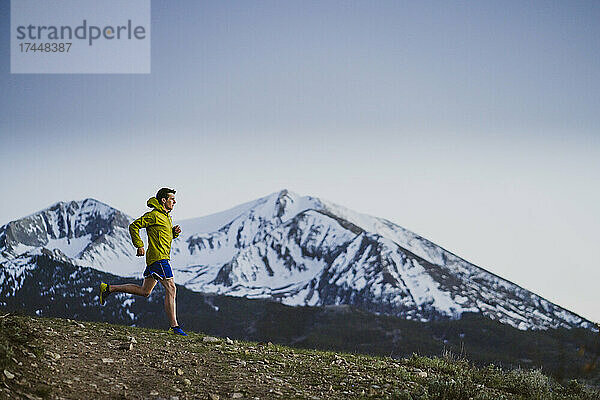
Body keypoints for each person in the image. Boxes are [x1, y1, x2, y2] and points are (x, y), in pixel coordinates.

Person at [99, 188, 187, 336]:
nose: (175, 201)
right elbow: (134, 226)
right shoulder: (153, 215)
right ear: (163, 200)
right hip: (159, 259)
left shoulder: (167, 217)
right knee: (171, 289)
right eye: (172, 199)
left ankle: (108, 289)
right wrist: (139, 244)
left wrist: (173, 233)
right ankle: (174, 327)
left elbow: (162, 236)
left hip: (158, 258)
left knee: (145, 291)